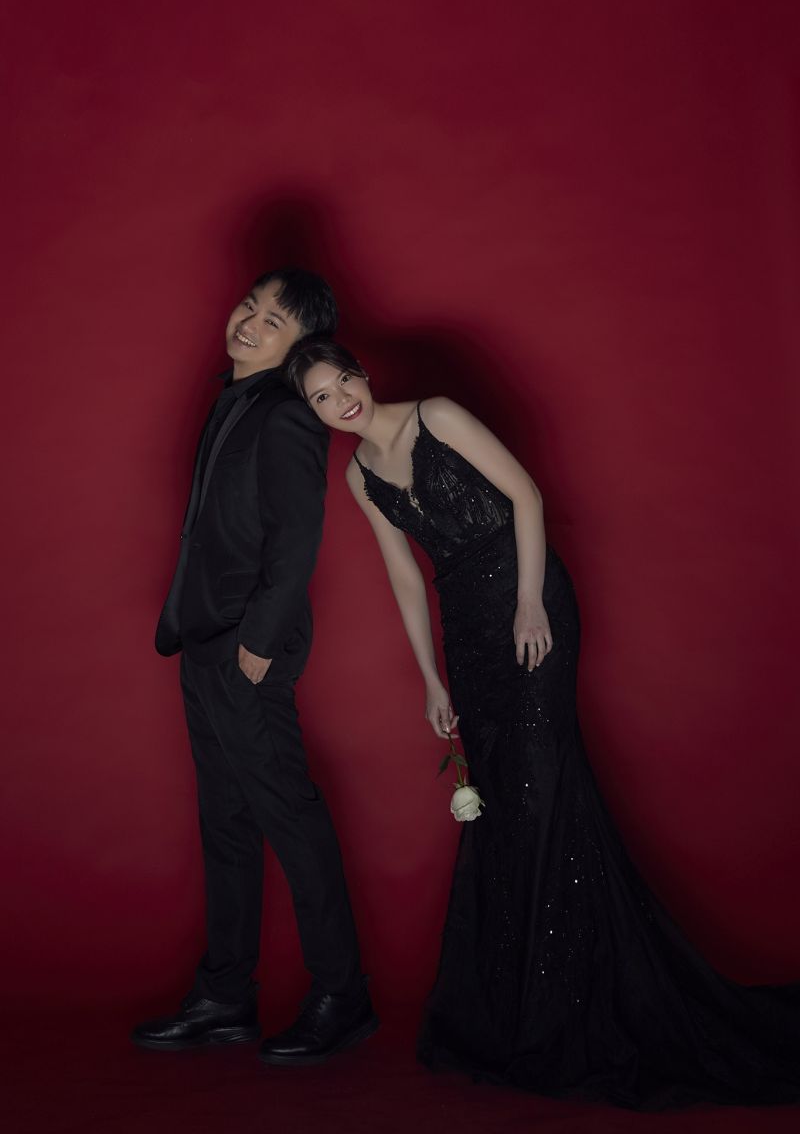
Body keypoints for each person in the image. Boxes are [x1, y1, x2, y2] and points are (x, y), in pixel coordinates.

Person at [283, 335, 800, 1109]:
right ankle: (538, 1000)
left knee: (542, 785)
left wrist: (530, 601)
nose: (340, 403)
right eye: (321, 399)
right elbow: (404, 576)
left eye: (341, 384)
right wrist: (429, 677)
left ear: (362, 374)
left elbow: (524, 495)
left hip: (528, 603)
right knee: (507, 805)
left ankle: (582, 1003)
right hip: (468, 634)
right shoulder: (359, 476)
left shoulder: (437, 415)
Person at [132, 271, 377, 1066]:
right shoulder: (232, 398)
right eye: (251, 305)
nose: (250, 322)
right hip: (204, 639)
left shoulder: (286, 413)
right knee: (226, 821)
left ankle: (343, 994)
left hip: (249, 648)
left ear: (299, 346)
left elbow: (296, 540)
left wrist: (259, 644)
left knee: (288, 817)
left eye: (274, 320)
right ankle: (224, 996)